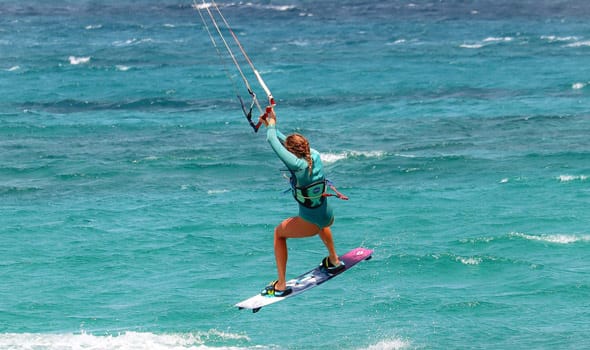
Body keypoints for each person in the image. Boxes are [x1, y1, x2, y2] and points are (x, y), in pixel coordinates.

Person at [261, 106, 345, 297]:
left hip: (310, 224)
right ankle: (334, 260)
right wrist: (270, 125)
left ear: (292, 153)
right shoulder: (314, 155)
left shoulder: (297, 166)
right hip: (328, 216)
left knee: (278, 233)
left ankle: (281, 285)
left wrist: (271, 126)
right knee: (320, 219)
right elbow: (281, 141)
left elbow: (272, 141)